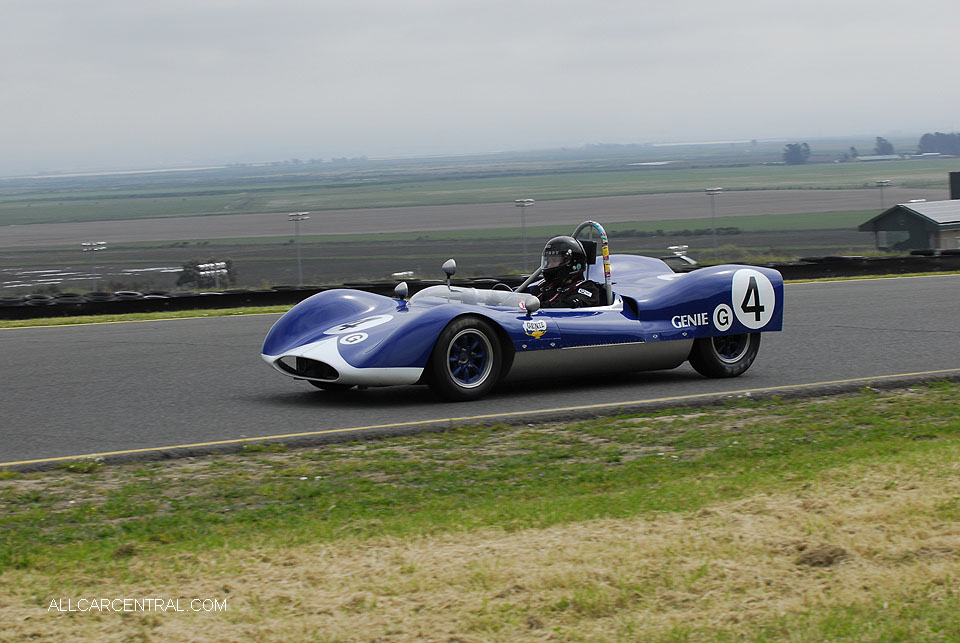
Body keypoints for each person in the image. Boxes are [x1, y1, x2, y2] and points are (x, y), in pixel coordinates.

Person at [526, 236, 602, 308]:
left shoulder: (586, 288)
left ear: (570, 263)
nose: (549, 265)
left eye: (554, 261)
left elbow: (571, 305)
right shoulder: (543, 286)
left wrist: (540, 306)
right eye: (548, 261)